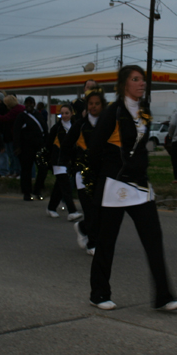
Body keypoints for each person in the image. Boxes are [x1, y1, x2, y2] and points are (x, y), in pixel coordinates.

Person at [88, 65, 177, 312]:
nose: (141, 83)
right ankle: (99, 293)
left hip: (139, 185)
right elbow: (95, 149)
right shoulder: (113, 112)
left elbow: (140, 148)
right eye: (135, 79)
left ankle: (163, 296)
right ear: (124, 85)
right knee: (106, 241)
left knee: (153, 239)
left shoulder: (144, 111)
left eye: (142, 79)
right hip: (115, 185)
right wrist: (104, 177)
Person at [63, 88, 106, 255]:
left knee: (101, 211)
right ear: (86, 106)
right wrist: (73, 163)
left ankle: (82, 227)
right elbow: (67, 145)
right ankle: (92, 244)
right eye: (91, 104)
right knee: (91, 210)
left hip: (102, 173)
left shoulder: (108, 123)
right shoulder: (79, 125)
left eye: (97, 104)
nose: (94, 107)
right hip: (82, 173)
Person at [46, 104, 82, 221]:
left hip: (68, 162)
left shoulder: (75, 127)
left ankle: (51, 208)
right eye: (62, 113)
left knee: (59, 186)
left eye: (67, 113)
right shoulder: (56, 128)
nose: (64, 116)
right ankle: (72, 211)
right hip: (57, 161)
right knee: (66, 185)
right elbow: (49, 144)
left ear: (72, 114)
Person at [13, 96, 48, 201]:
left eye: (31, 103)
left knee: (43, 169)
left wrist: (46, 143)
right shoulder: (21, 116)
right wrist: (17, 147)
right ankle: (26, 192)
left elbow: (44, 129)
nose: (29, 105)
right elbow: (16, 132)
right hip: (26, 148)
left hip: (39, 147)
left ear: (34, 104)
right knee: (26, 171)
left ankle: (37, 190)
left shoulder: (39, 115)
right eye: (27, 103)